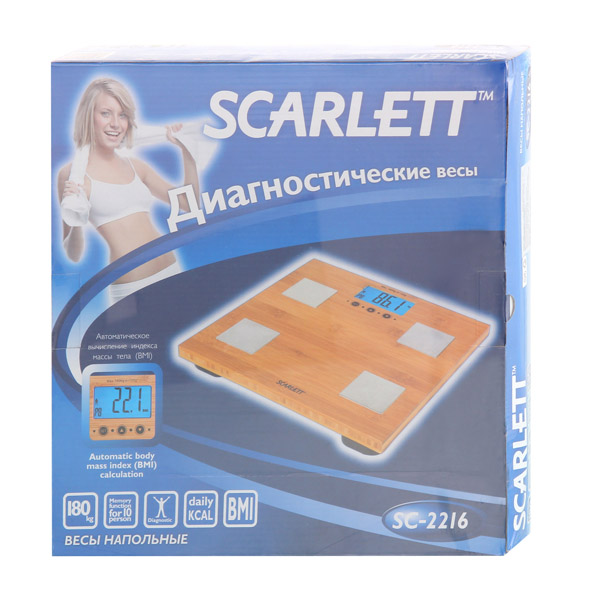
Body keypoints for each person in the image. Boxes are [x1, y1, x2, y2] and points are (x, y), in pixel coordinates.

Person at [57, 78, 198, 303]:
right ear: (88, 116)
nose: (116, 123)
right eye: (106, 113)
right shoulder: (73, 175)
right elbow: (73, 255)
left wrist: (186, 151)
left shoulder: (136, 166)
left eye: (122, 115)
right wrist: (77, 218)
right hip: (131, 290)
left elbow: (189, 204)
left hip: (172, 271)